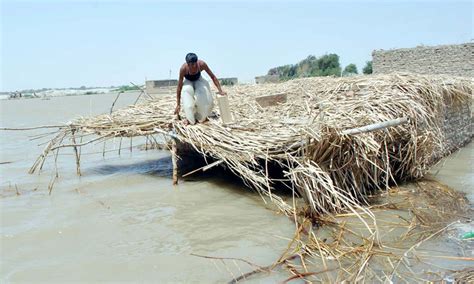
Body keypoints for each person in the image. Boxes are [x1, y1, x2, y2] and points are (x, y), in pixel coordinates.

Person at [174, 53, 226, 124]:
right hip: (188, 81)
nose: (193, 67)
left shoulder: (202, 64)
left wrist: (220, 90)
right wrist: (178, 104)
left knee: (202, 97)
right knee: (187, 92)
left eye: (194, 64)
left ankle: (201, 117)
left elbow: (212, 77)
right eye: (191, 65)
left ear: (197, 62)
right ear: (187, 64)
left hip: (199, 79)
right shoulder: (183, 69)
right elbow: (179, 86)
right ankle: (189, 119)